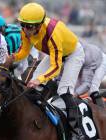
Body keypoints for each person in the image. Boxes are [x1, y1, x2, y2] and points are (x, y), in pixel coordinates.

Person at [8, 2, 85, 130]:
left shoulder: (52, 34)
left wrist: (40, 80)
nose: (25, 29)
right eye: (23, 25)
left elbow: (56, 67)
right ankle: (38, 111)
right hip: (54, 54)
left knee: (64, 90)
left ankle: (76, 127)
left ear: (39, 25)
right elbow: (24, 51)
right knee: (32, 83)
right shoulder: (26, 31)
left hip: (73, 54)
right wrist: (13, 57)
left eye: (29, 26)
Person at [0, 13, 38, 79]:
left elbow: (9, 62)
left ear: (3, 29)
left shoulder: (12, 37)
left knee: (24, 77)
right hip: (14, 52)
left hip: (27, 49)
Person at [75, 41, 106, 107]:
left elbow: (87, 84)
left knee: (93, 90)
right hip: (91, 60)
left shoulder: (87, 56)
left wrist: (75, 94)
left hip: (100, 61)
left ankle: (102, 110)